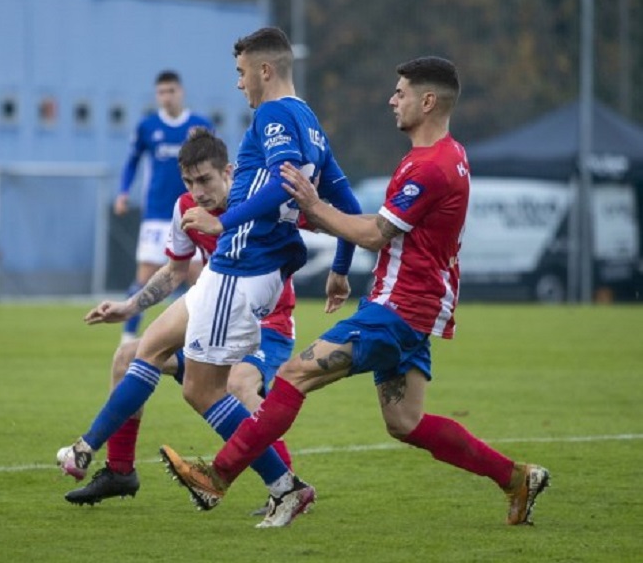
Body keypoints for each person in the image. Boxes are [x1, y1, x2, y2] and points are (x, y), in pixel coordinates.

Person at [160, 56, 551, 528]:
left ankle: (217, 475)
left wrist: (310, 204)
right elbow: (383, 228)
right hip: (413, 309)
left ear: (428, 101)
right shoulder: (449, 155)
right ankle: (515, 477)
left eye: (401, 91)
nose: (392, 99)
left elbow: (373, 233)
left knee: (295, 373)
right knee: (404, 422)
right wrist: (322, 231)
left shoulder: (431, 166)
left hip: (398, 310)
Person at [158, 26, 362, 527]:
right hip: (261, 270)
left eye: (241, 72)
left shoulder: (272, 114)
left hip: (242, 263)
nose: (239, 83)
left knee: (202, 389)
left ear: (264, 71)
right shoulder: (311, 122)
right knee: (194, 378)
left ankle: (284, 486)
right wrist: (339, 269)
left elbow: (282, 178)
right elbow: (350, 207)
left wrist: (220, 221)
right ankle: (282, 485)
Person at [57, 128, 299, 521]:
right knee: (127, 356)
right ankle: (120, 471)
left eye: (205, 179)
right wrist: (129, 306)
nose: (198, 191)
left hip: (265, 327)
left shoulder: (256, 204)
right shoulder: (185, 208)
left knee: (237, 385)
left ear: (229, 172)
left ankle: (287, 484)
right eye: (189, 181)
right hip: (212, 319)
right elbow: (174, 271)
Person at [114, 70, 213, 344]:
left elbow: (215, 166)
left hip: (193, 211)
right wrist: (122, 192)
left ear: (181, 92)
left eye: (171, 91)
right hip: (157, 214)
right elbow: (132, 162)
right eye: (161, 92)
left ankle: (198, 334)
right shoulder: (147, 127)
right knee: (146, 276)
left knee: (198, 277)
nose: (166, 97)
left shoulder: (199, 125)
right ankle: (128, 337)